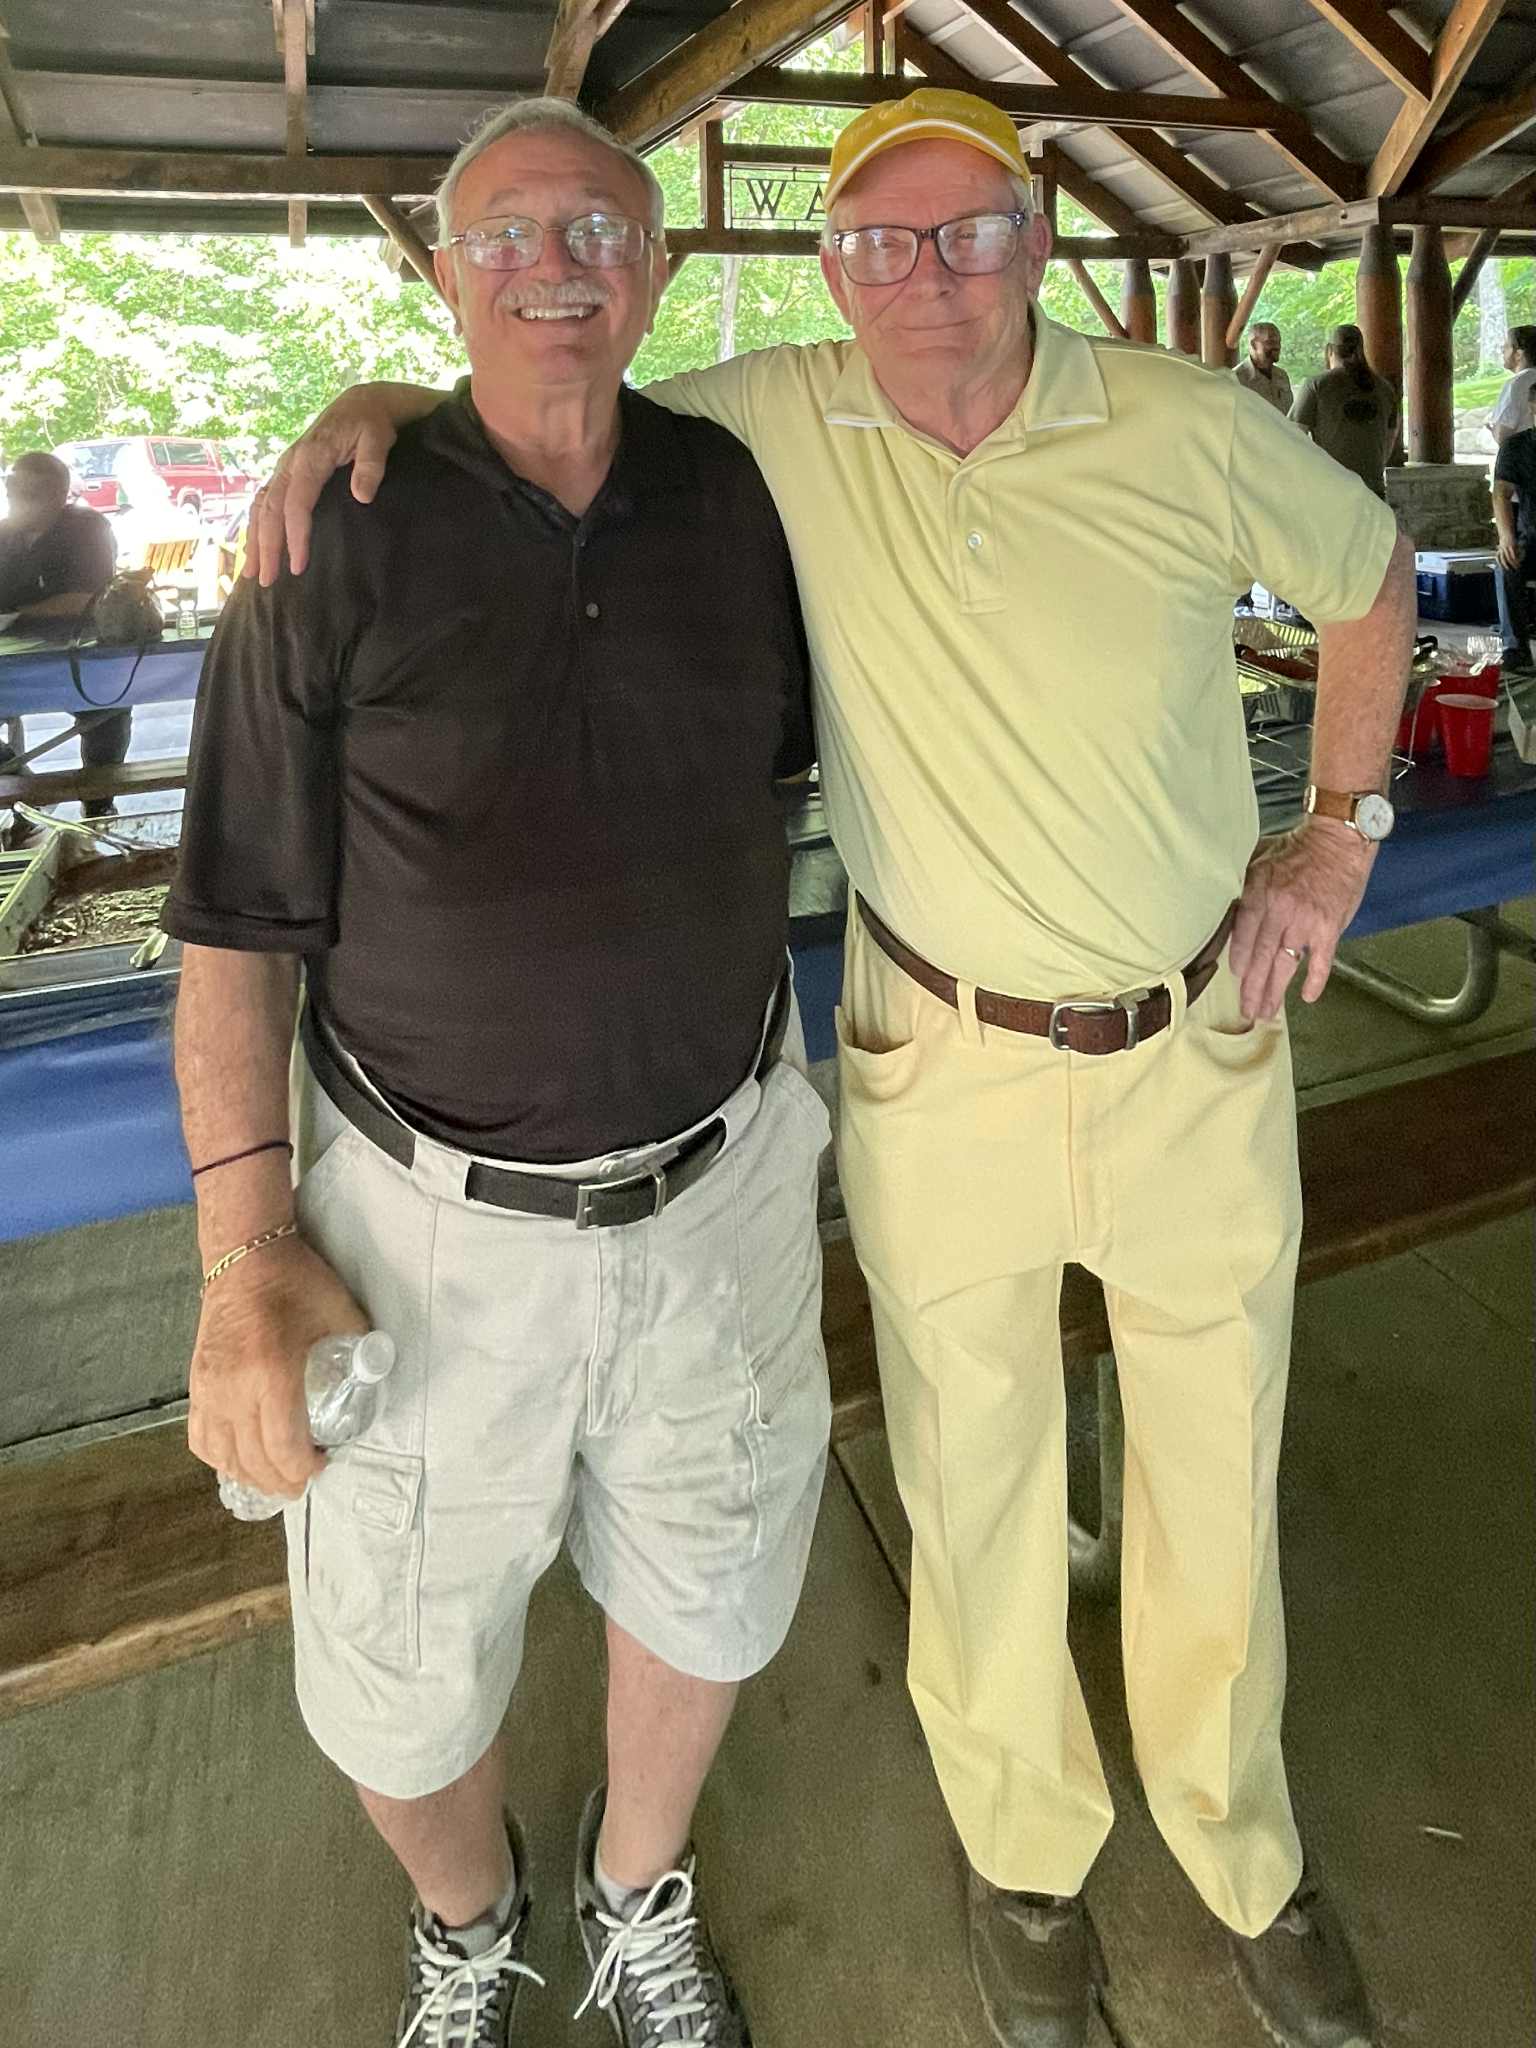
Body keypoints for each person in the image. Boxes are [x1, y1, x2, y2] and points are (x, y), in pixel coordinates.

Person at [252, 86, 1416, 2048]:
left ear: (1039, 242)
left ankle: (1244, 1851)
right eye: (879, 243)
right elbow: (545, 379)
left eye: (966, 234)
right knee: (971, 1476)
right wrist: (369, 402)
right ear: (832, 269)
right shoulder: (775, 418)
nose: (923, 277)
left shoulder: (1188, 421)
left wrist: (1341, 829)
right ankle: (1026, 1857)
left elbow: (1370, 579)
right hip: (937, 1048)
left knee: (1219, 1461)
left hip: (1194, 1037)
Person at [162, 97, 830, 2048]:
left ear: (660, 272)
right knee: (395, 1666)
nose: (557, 266)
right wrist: (241, 1254)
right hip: (423, 1228)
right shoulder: (327, 538)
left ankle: (640, 1888)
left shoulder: (740, 499)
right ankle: (470, 1921)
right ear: (442, 275)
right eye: (510, 234)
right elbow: (232, 932)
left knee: (712, 1579)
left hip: (721, 1184)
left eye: (600, 230)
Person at [0, 450, 127, 820]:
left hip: (78, 651)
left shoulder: (87, 528)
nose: (18, 500)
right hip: (10, 655)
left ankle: (98, 801)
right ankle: (28, 792)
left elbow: (89, 597)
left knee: (110, 706)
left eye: (30, 493)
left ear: (58, 495)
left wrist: (19, 614)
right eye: (12, 490)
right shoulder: (5, 535)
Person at [1290, 324, 1400, 499]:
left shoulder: (1316, 385)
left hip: (1331, 487)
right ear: (1361, 349)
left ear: (1330, 351)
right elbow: (1390, 436)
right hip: (1373, 489)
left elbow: (1294, 434)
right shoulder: (1384, 388)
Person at [1493, 375, 1536, 674]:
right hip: (1531, 538)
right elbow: (1501, 493)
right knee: (1507, 562)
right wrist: (1506, 536)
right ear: (1532, 409)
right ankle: (1515, 648)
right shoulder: (1516, 447)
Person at [1488, 324, 1536, 452]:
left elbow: (1502, 436)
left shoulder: (1517, 383)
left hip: (1521, 458)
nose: (1502, 350)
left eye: (1507, 346)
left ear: (1518, 354)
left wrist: (1492, 428)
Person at [1234, 321, 1293, 414]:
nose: (1277, 346)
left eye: (1279, 342)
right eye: (1271, 342)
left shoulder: (1282, 376)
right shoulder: (1236, 379)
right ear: (1254, 344)